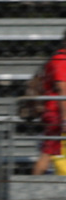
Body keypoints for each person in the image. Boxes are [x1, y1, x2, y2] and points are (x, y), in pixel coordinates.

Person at [32, 31, 66, 175]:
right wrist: (65, 118)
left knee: (49, 151)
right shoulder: (61, 60)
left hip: (56, 112)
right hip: (57, 113)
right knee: (48, 152)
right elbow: (62, 90)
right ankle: (33, 187)